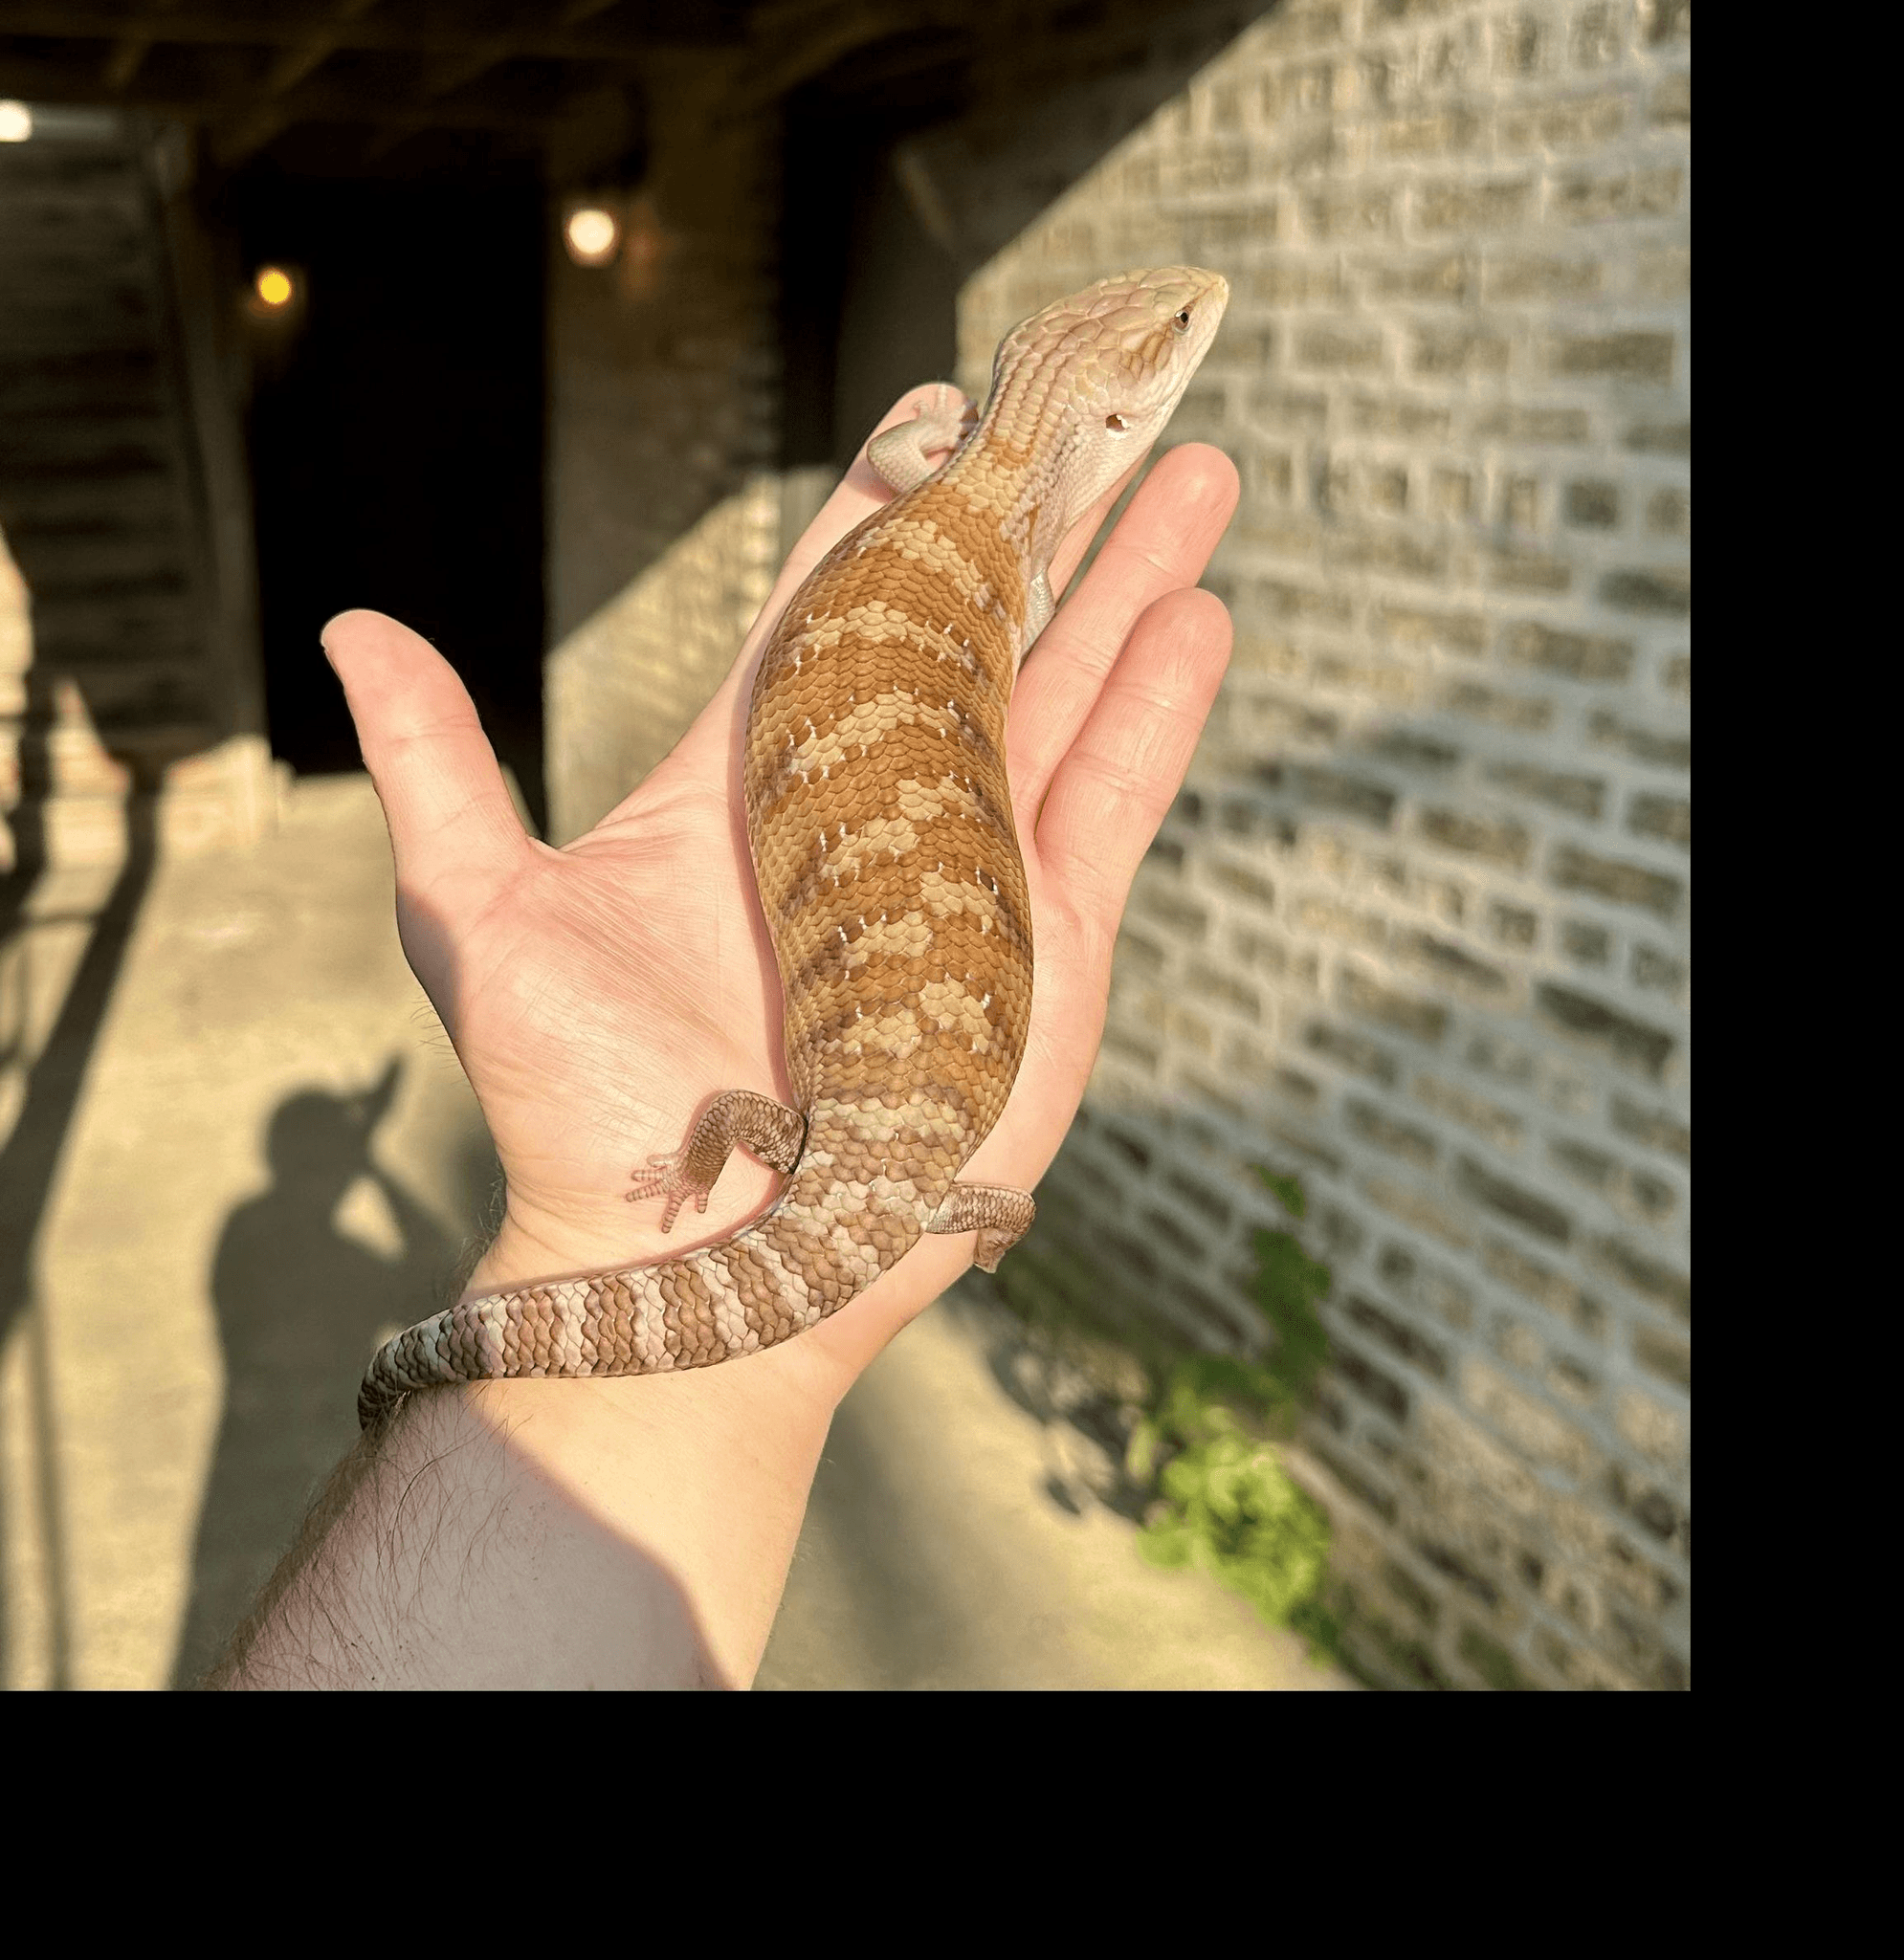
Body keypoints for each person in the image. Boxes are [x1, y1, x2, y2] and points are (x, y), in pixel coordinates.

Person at [213, 385, 1239, 1688]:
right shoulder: (916, 1182)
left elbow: (803, 1146)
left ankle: (450, 1353)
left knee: (925, 1199)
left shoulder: (823, 1150)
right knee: (970, 1206)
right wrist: (965, 1222)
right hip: (922, 1170)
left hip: (912, 1169)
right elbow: (964, 1200)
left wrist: (694, 1184)